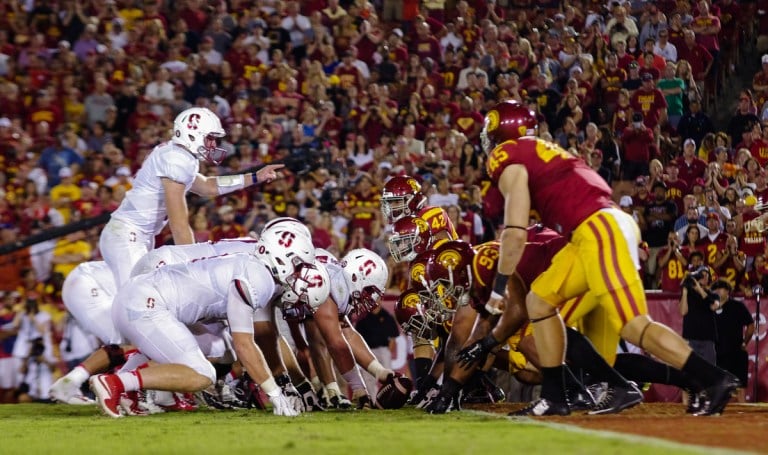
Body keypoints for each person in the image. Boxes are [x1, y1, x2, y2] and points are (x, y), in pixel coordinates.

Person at [480, 100, 738, 416]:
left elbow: (516, 231)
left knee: (633, 326)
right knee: (539, 301)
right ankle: (555, 396)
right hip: (588, 232)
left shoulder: (508, 157)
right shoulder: (539, 150)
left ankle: (713, 378)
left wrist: (498, 290)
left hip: (599, 229)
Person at [89, 224, 326, 418]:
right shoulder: (259, 278)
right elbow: (245, 344)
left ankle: (125, 392)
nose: (299, 274)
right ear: (281, 258)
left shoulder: (254, 267)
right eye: (298, 265)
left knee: (213, 345)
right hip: (147, 303)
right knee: (202, 374)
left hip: (144, 297)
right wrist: (275, 394)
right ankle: (116, 383)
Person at [98, 107, 283, 287]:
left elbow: (207, 186)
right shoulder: (175, 159)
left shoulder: (180, 155)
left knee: (142, 299)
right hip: (127, 236)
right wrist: (193, 266)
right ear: (192, 134)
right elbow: (178, 224)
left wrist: (255, 177)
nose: (213, 144)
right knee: (135, 301)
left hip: (136, 235)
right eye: (210, 138)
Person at [712, 279, 755, 402]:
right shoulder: (710, 308)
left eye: (721, 288)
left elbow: (751, 327)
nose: (717, 291)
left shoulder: (737, 306)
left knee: (740, 387)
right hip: (717, 353)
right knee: (718, 387)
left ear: (728, 291)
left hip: (736, 352)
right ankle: (718, 415)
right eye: (715, 289)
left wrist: (744, 343)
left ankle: (742, 415)